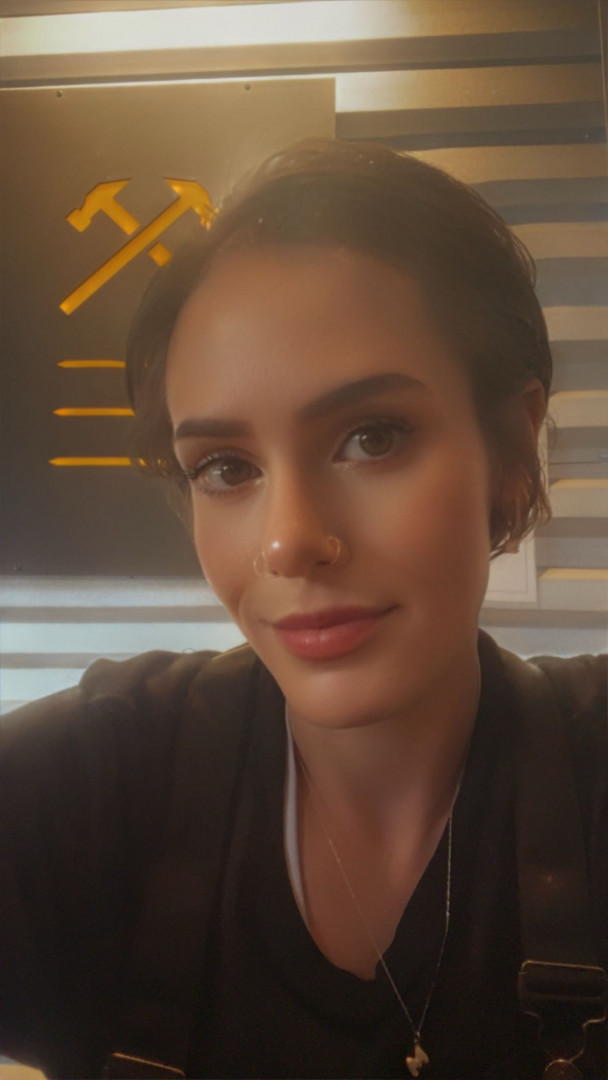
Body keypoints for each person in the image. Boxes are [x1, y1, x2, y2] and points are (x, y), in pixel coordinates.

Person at [1, 139, 606, 1080]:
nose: (287, 542)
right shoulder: (94, 787)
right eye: (226, 468)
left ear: (511, 450)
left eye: (373, 437)